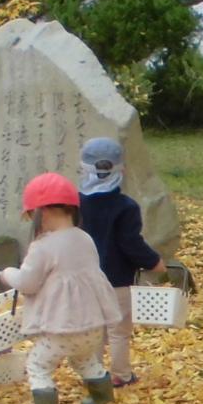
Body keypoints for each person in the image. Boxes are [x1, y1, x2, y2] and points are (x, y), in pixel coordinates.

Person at [0, 174, 121, 404]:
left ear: (43, 213)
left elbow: (28, 282)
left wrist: (8, 274)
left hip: (62, 329)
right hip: (93, 324)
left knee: (37, 364)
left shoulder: (43, 247)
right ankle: (102, 396)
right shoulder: (84, 238)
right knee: (85, 359)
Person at [76, 137, 162, 387]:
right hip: (118, 280)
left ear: (84, 168)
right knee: (118, 330)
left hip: (86, 279)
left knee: (93, 330)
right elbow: (130, 243)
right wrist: (154, 262)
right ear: (121, 170)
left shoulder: (76, 205)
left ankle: (93, 373)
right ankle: (120, 374)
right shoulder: (126, 207)